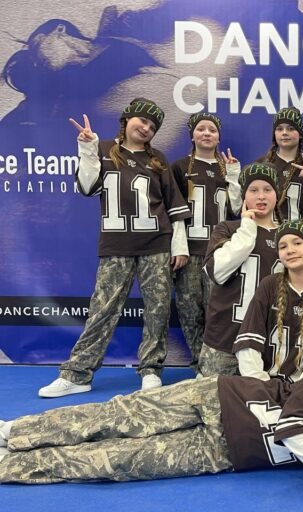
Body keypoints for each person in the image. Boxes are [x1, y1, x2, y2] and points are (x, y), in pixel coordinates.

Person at [0, 342, 303, 502]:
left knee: (117, 462)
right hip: (216, 398)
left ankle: (9, 465)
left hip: (224, 453)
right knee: (112, 418)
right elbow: (293, 426)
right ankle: (11, 432)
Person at [40, 99, 191, 398]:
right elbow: (86, 187)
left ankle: (151, 370)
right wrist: (87, 148)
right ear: (126, 119)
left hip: (156, 245)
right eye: (142, 121)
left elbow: (174, 208)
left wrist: (180, 246)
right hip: (116, 245)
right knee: (102, 309)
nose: (146, 128)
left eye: (152, 126)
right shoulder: (103, 149)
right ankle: (77, 374)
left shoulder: (158, 160)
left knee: (158, 310)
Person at [171, 112, 241, 377]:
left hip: (218, 252)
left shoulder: (226, 168)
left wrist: (233, 175)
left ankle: (213, 365)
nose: (207, 133)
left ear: (219, 137)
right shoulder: (180, 167)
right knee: (190, 310)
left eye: (212, 129)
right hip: (190, 251)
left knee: (217, 310)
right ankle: (198, 364)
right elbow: (174, 210)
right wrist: (179, 247)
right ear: (192, 135)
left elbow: (236, 208)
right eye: (201, 129)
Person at [233, 219, 303, 382]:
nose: (290, 250)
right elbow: (249, 340)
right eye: (283, 246)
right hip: (263, 382)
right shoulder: (269, 284)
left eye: (297, 243)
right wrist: (259, 383)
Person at [198, 162, 280, 377]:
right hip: (224, 337)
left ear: (277, 195)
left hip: (266, 341)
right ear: (244, 195)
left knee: (259, 397)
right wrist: (247, 229)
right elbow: (216, 271)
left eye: (267, 189)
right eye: (253, 190)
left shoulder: (287, 237)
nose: (261, 196)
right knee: (213, 396)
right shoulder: (227, 228)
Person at [258, 107, 303, 223]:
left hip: (298, 232)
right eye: (279, 129)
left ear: (300, 134)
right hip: (267, 231)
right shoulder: (261, 165)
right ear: (274, 134)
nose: (284, 133)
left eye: (291, 128)